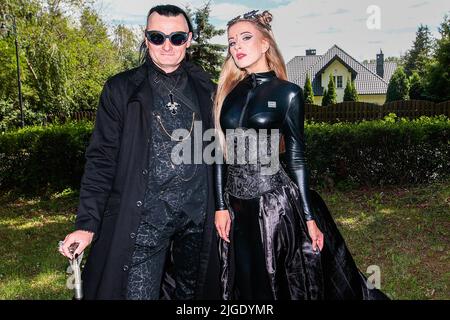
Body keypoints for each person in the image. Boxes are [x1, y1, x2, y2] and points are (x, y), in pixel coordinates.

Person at [213, 10, 389, 300]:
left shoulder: (289, 93)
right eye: (231, 42)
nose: (237, 47)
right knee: (246, 282)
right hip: (235, 207)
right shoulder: (228, 91)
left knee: (278, 282)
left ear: (265, 44)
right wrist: (220, 205)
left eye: (245, 38)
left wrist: (308, 217)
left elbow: (296, 156)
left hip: (273, 206)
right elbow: (219, 151)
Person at [59, 5, 219, 300]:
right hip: (144, 221)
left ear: (189, 39)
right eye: (158, 37)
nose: (167, 45)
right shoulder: (121, 89)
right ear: (146, 38)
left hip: (198, 221)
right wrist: (86, 224)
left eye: (177, 37)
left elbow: (222, 152)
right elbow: (101, 160)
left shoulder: (208, 88)